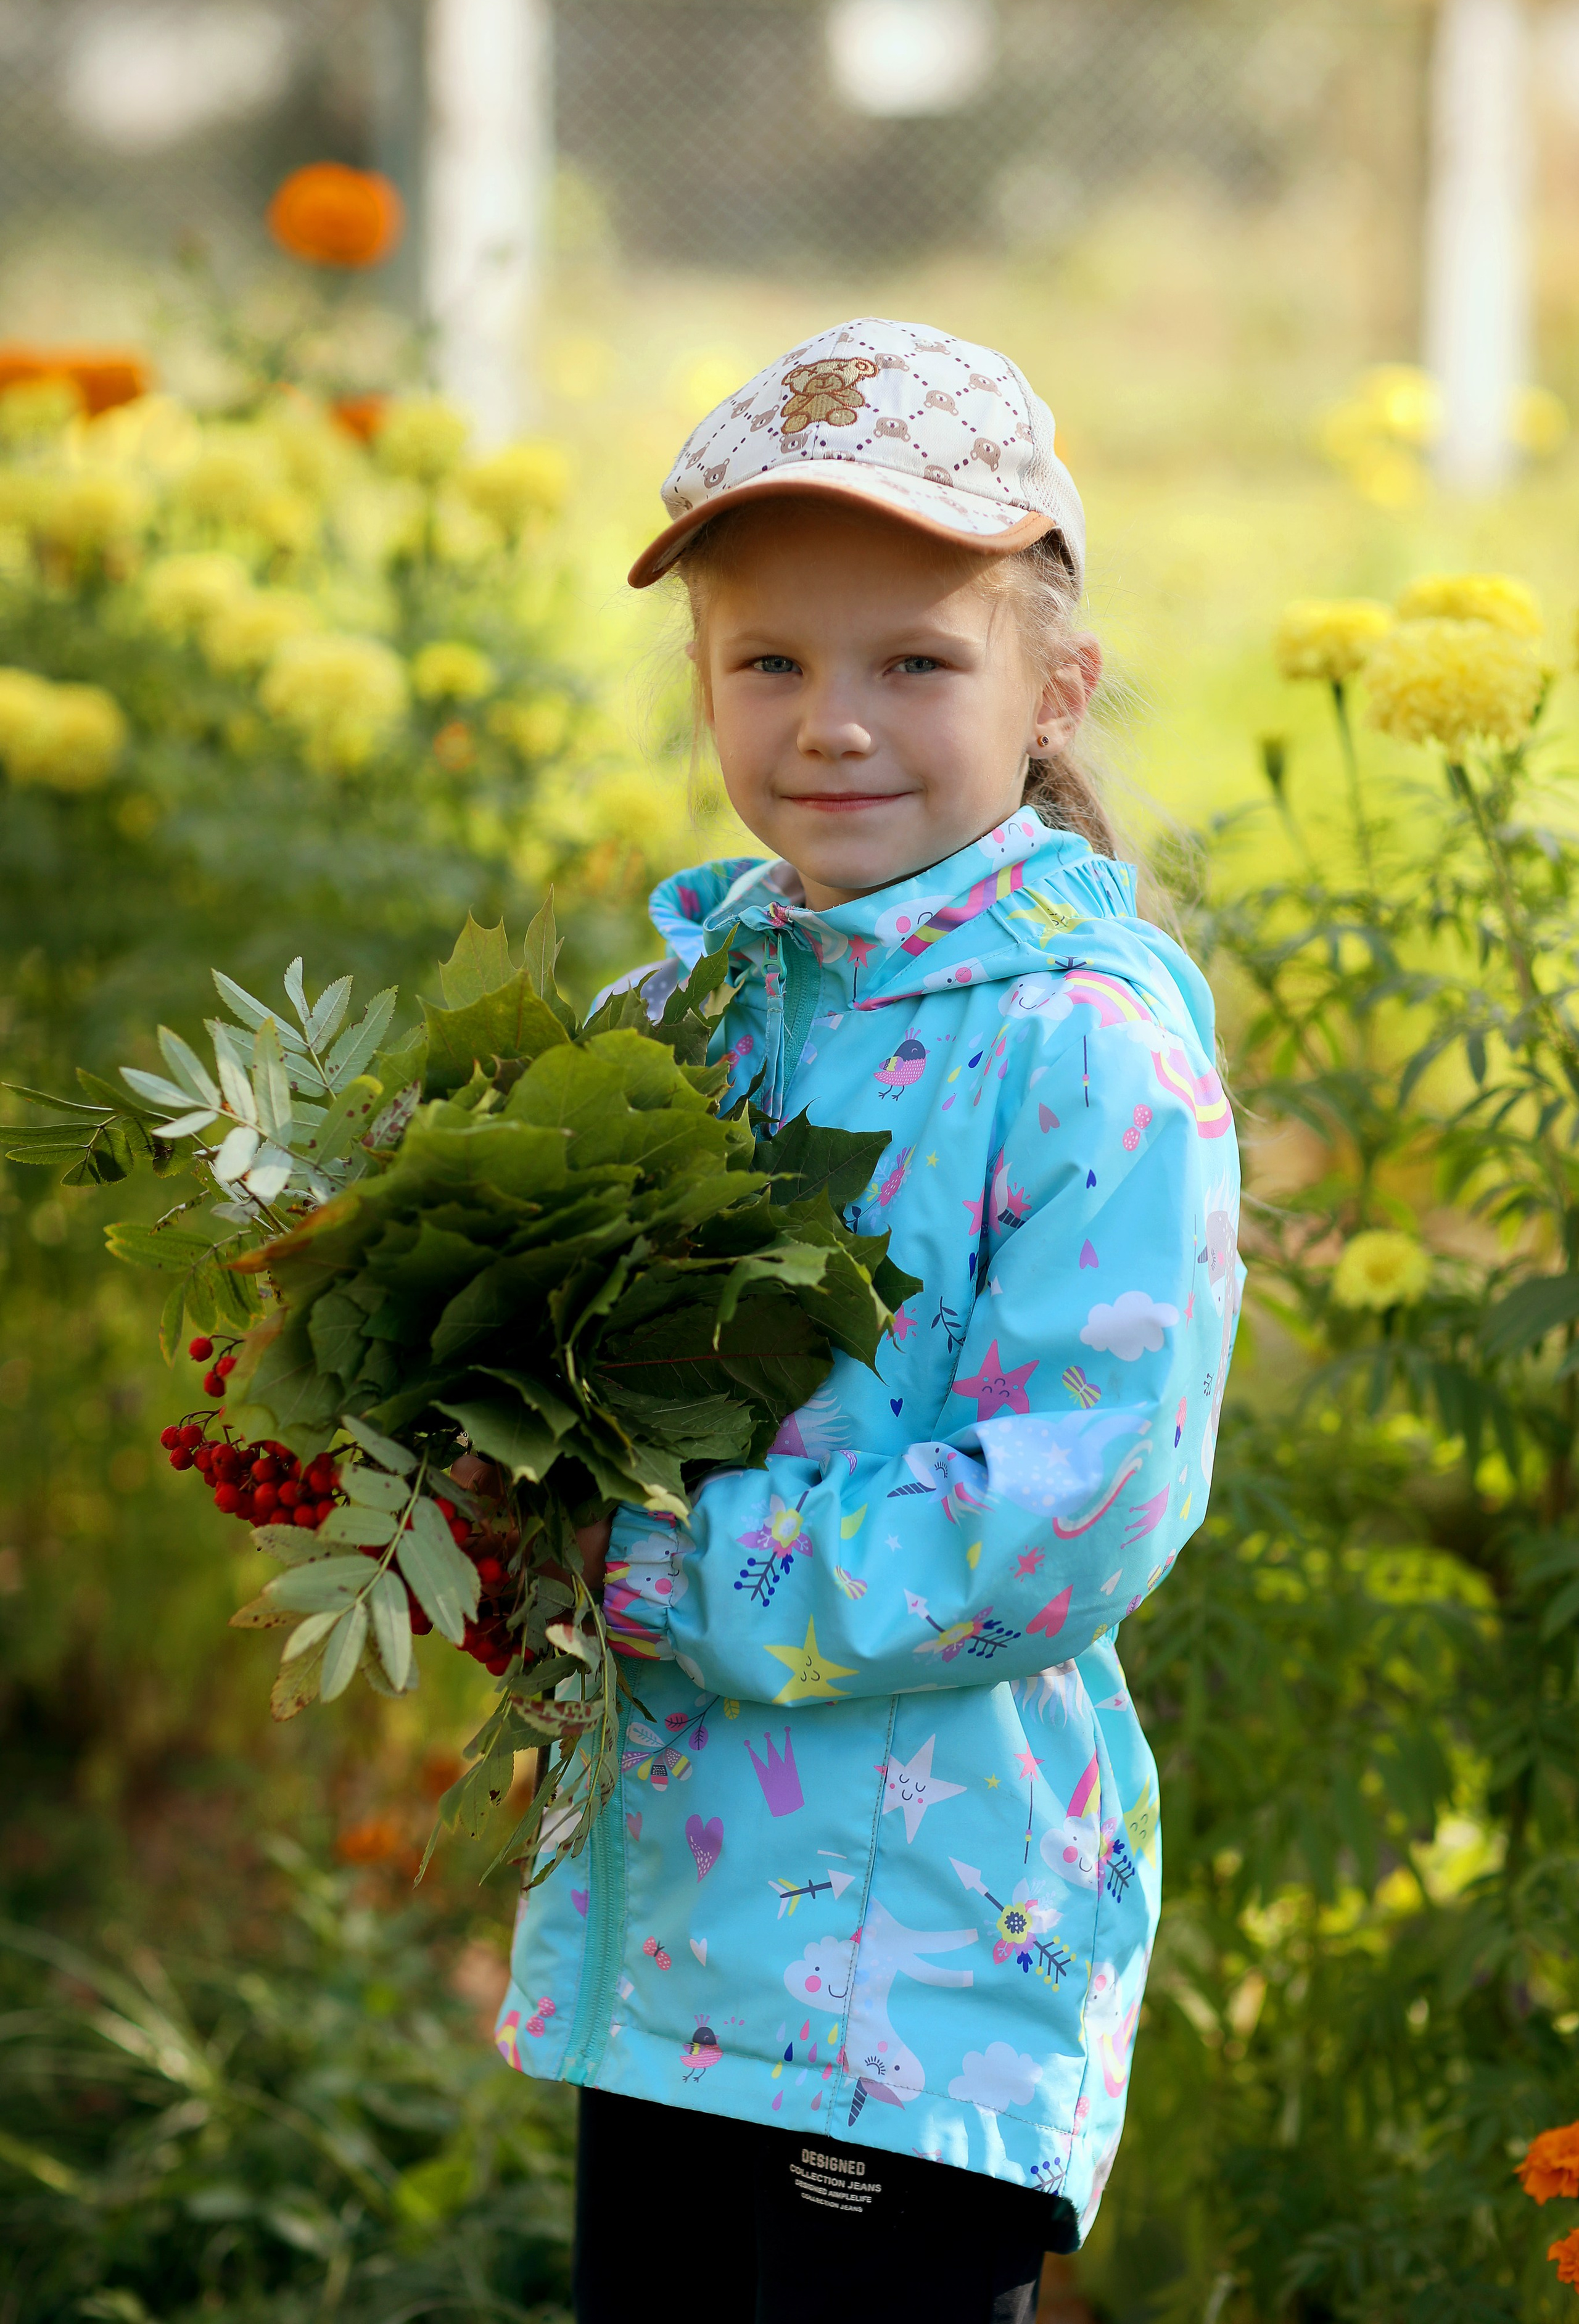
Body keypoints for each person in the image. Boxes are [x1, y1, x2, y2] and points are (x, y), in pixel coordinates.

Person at [493, 318, 1244, 2324]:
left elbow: (1072, 1504)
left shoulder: (1084, 1052)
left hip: (917, 1962)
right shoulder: (682, 1013)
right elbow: (573, 1388)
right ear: (703, 684)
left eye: (914, 662)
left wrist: (650, 1566)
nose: (835, 724)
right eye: (772, 663)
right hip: (669, 1942)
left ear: (1051, 684)